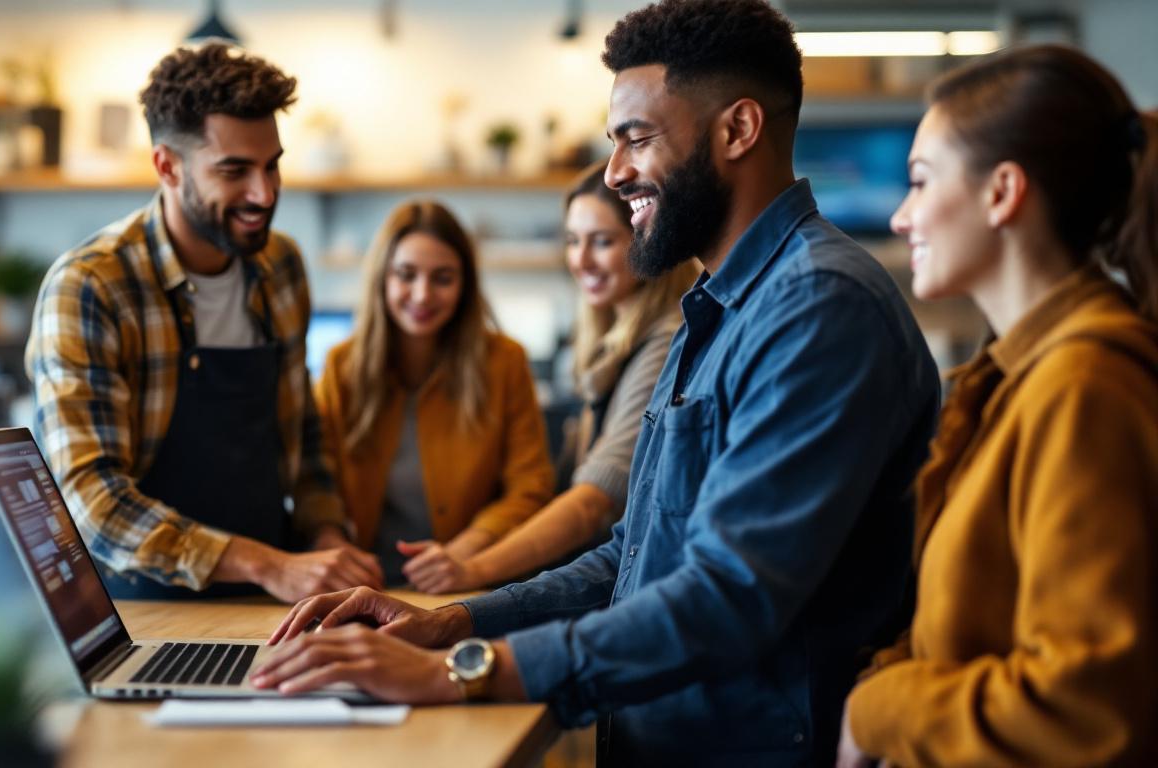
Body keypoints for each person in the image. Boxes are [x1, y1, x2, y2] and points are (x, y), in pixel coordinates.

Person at [252, 1, 940, 763]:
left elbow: (730, 596)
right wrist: (456, 622)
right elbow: (634, 556)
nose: (614, 174)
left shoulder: (817, 307)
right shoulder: (717, 308)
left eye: (636, 138)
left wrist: (468, 672)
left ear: (738, 130)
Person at [838, 48, 1158, 768]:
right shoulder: (1023, 376)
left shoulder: (1084, 387)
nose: (900, 215)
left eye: (921, 183)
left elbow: (1083, 710)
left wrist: (879, 709)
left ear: (1003, 192)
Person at [25, 44, 381, 603]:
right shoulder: (92, 286)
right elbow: (90, 499)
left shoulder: (280, 267)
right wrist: (269, 566)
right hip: (139, 606)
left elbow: (303, 435)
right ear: (167, 165)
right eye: (234, 171)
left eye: (272, 165)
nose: (264, 194)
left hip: (274, 596)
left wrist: (326, 538)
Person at [400, 164, 702, 593]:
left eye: (602, 242)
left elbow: (594, 503)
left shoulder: (664, 342)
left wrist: (473, 570)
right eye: (572, 241)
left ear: (645, 240)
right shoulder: (613, 346)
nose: (580, 261)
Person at [313, 200, 554, 586]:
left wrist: (462, 552)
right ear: (382, 279)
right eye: (406, 275)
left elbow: (531, 487)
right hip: (361, 586)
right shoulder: (340, 367)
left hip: (467, 582)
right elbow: (314, 482)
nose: (423, 295)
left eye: (442, 278)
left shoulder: (504, 363)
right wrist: (331, 544)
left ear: (464, 285)